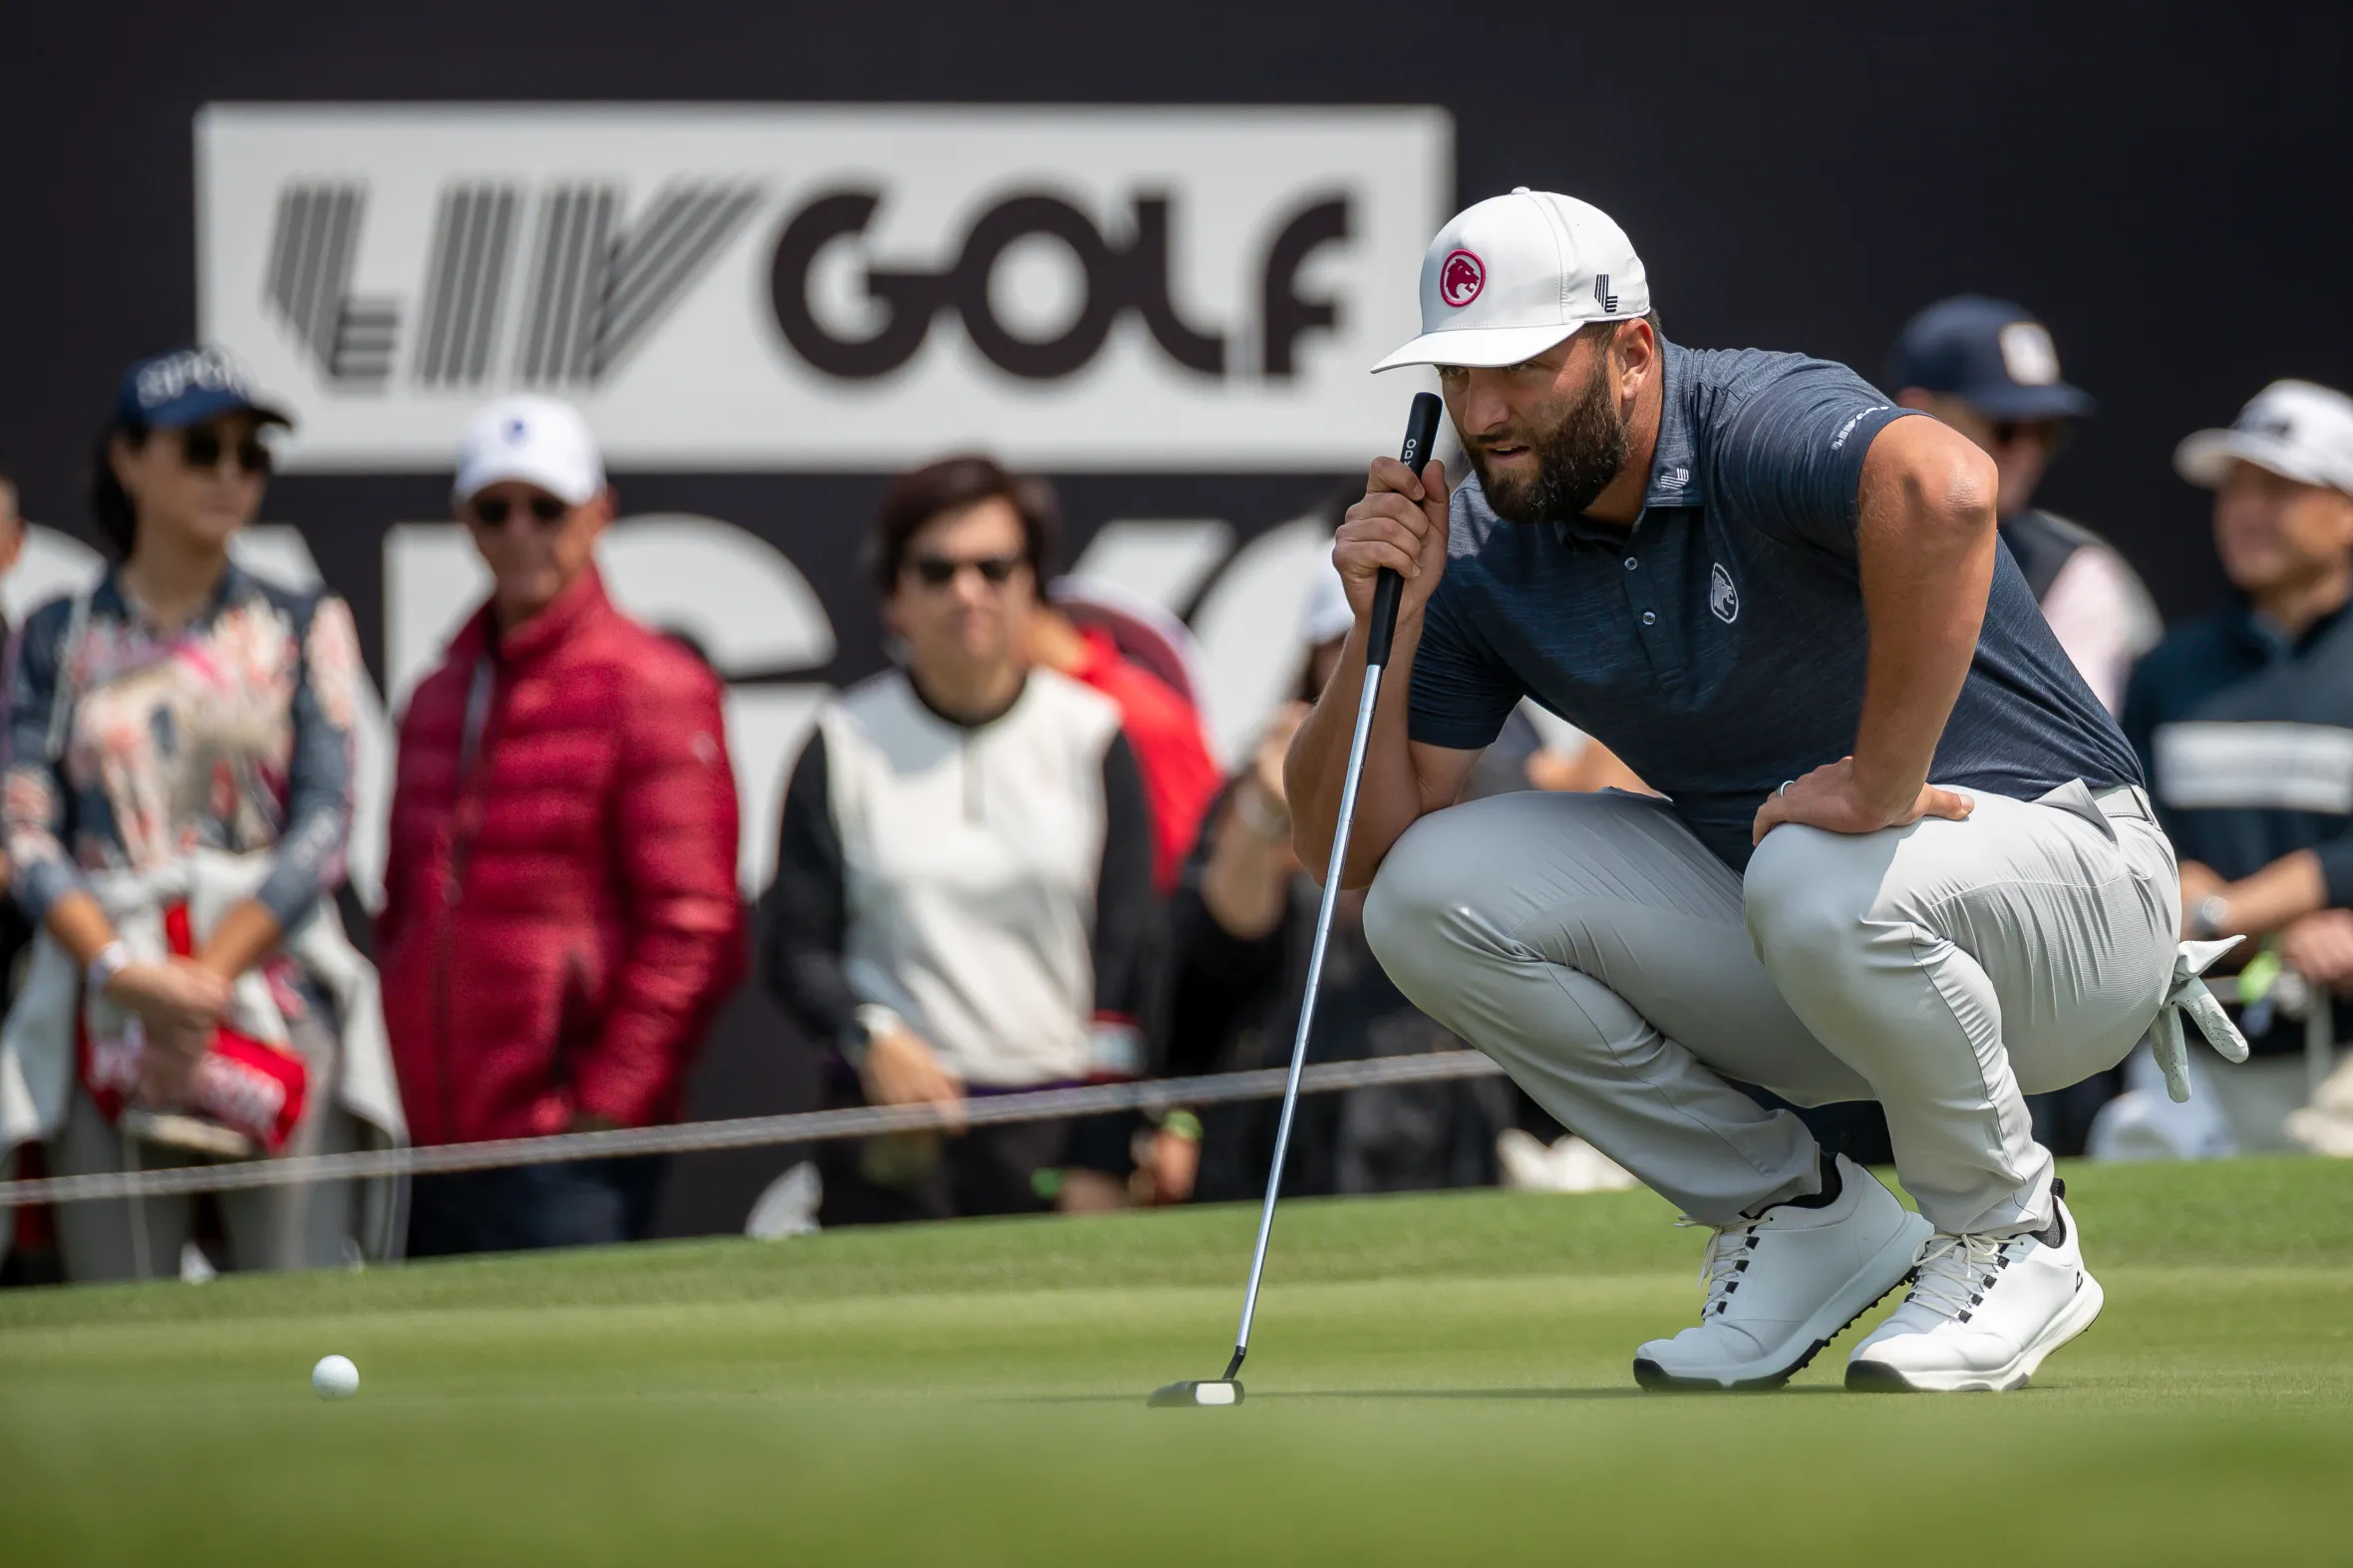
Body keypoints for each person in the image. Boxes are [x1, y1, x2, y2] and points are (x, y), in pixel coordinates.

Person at [1295, 189, 2225, 1394]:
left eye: (1521, 370)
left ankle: (2010, 1231)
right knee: (1421, 894)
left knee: (1810, 866)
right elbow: (1348, 855)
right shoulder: (1474, 547)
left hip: (2079, 901)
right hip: (1824, 935)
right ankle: (1795, 1216)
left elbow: (1945, 489)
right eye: (1459, 377)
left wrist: (1882, 779)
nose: (1483, 415)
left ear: (1629, 352)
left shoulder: (1750, 415)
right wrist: (1391, 619)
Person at [0, 346, 402, 1281]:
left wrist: (207, 976)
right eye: (201, 449)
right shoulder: (58, 635)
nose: (228, 473)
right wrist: (125, 970)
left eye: (248, 453)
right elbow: (22, 825)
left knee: (298, 1312)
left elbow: (325, 819)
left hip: (271, 994)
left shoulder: (301, 621)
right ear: (131, 461)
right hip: (108, 1002)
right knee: (122, 1320)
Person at [381, 395, 745, 1255]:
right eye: (493, 509)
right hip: (434, 1142)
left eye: (546, 507)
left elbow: (696, 926)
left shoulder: (654, 684)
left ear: (597, 514)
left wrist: (603, 1108)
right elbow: (403, 908)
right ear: (465, 524)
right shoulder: (436, 692)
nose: (520, 532)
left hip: (570, 1152)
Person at [765, 456, 1169, 1222]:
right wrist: (869, 1035)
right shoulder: (840, 741)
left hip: (1052, 1135)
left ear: (1032, 588)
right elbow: (795, 947)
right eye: (936, 570)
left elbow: (1126, 967)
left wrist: (1102, 1151)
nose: (967, 591)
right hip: (893, 1141)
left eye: (994, 566)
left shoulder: (1092, 737)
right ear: (894, 597)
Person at [1168, 560, 1523, 1204]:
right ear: (1314, 658)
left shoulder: (1496, 778)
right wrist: (1269, 811)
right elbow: (1219, 955)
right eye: (1349, 641)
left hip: (1447, 1123)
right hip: (1274, 1122)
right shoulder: (1257, 784)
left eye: (1399, 637)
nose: (1373, 663)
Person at [2122, 383, 2353, 1106]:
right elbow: (2131, 823)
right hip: (2179, 1064)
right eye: (2235, 489)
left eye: (2279, 488)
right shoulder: (2169, 667)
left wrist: (2226, 915)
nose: (2247, 510)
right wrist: (2183, 885)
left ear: (2346, 510)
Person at [1888, 297, 2161, 715]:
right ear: (1920, 413)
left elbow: (2067, 757)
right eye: (2007, 427)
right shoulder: (1826, 531)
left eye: (2045, 432)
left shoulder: (2073, 570)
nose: (2029, 453)